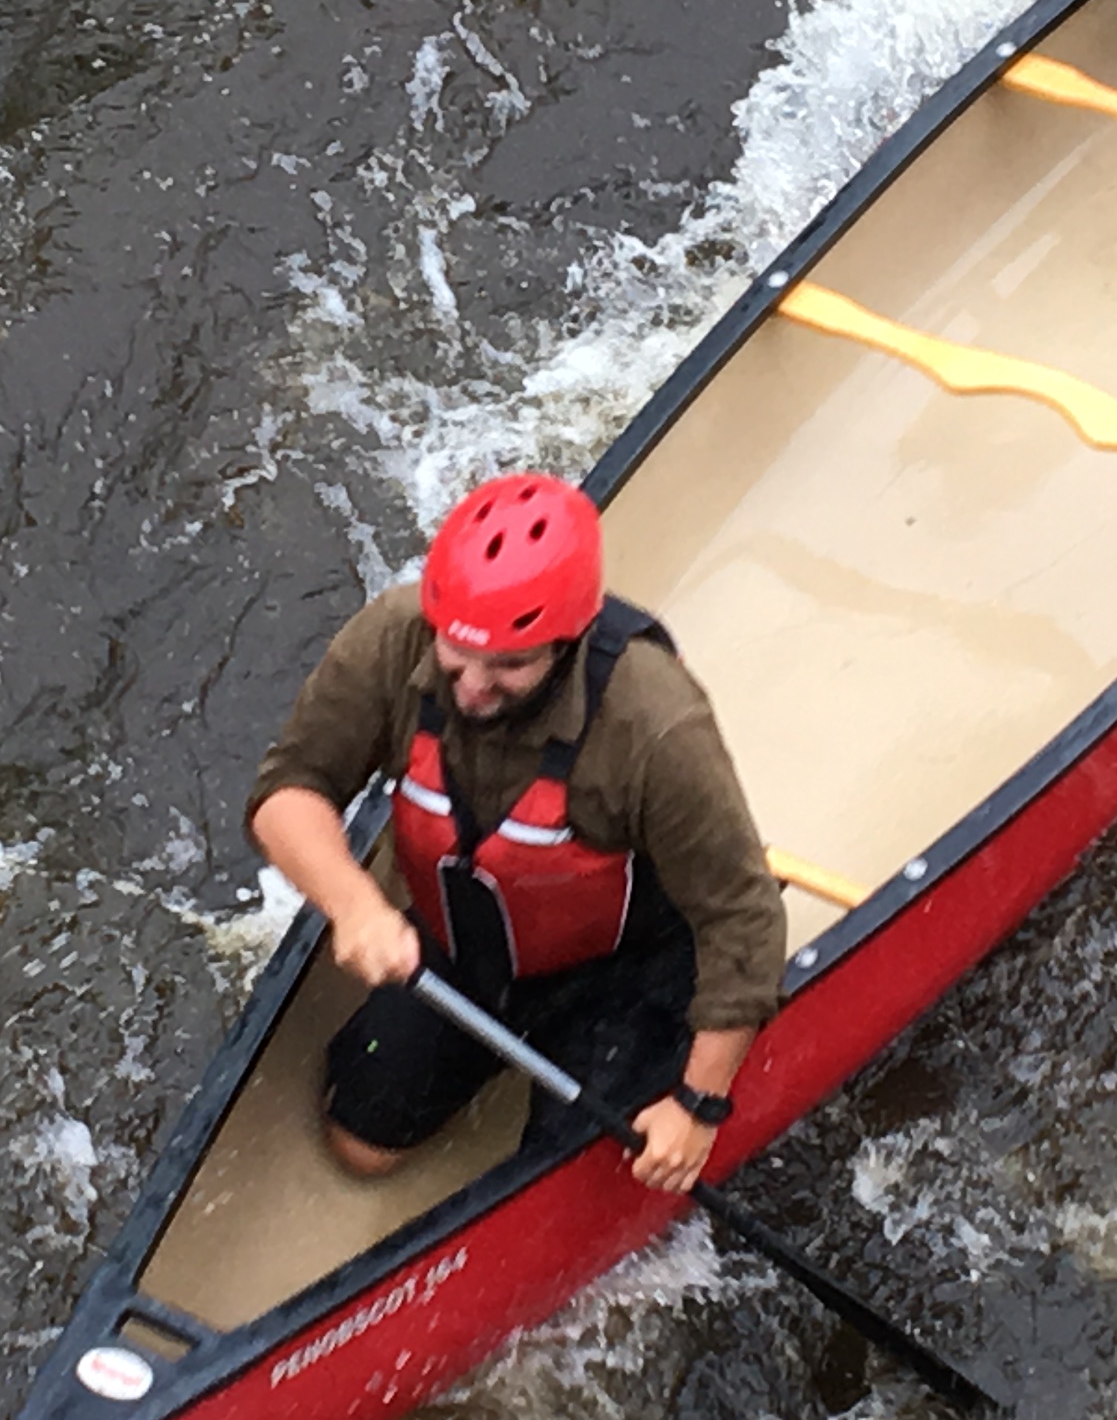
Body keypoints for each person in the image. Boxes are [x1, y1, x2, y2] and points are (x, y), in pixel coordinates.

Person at [244, 472, 786, 1195]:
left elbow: (742, 918)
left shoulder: (657, 725)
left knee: (579, 1180)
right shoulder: (393, 637)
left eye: (510, 664)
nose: (472, 686)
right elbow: (286, 790)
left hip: (623, 968)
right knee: (361, 1145)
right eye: (457, 652)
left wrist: (698, 1105)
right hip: (468, 948)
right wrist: (355, 905)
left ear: (567, 644)